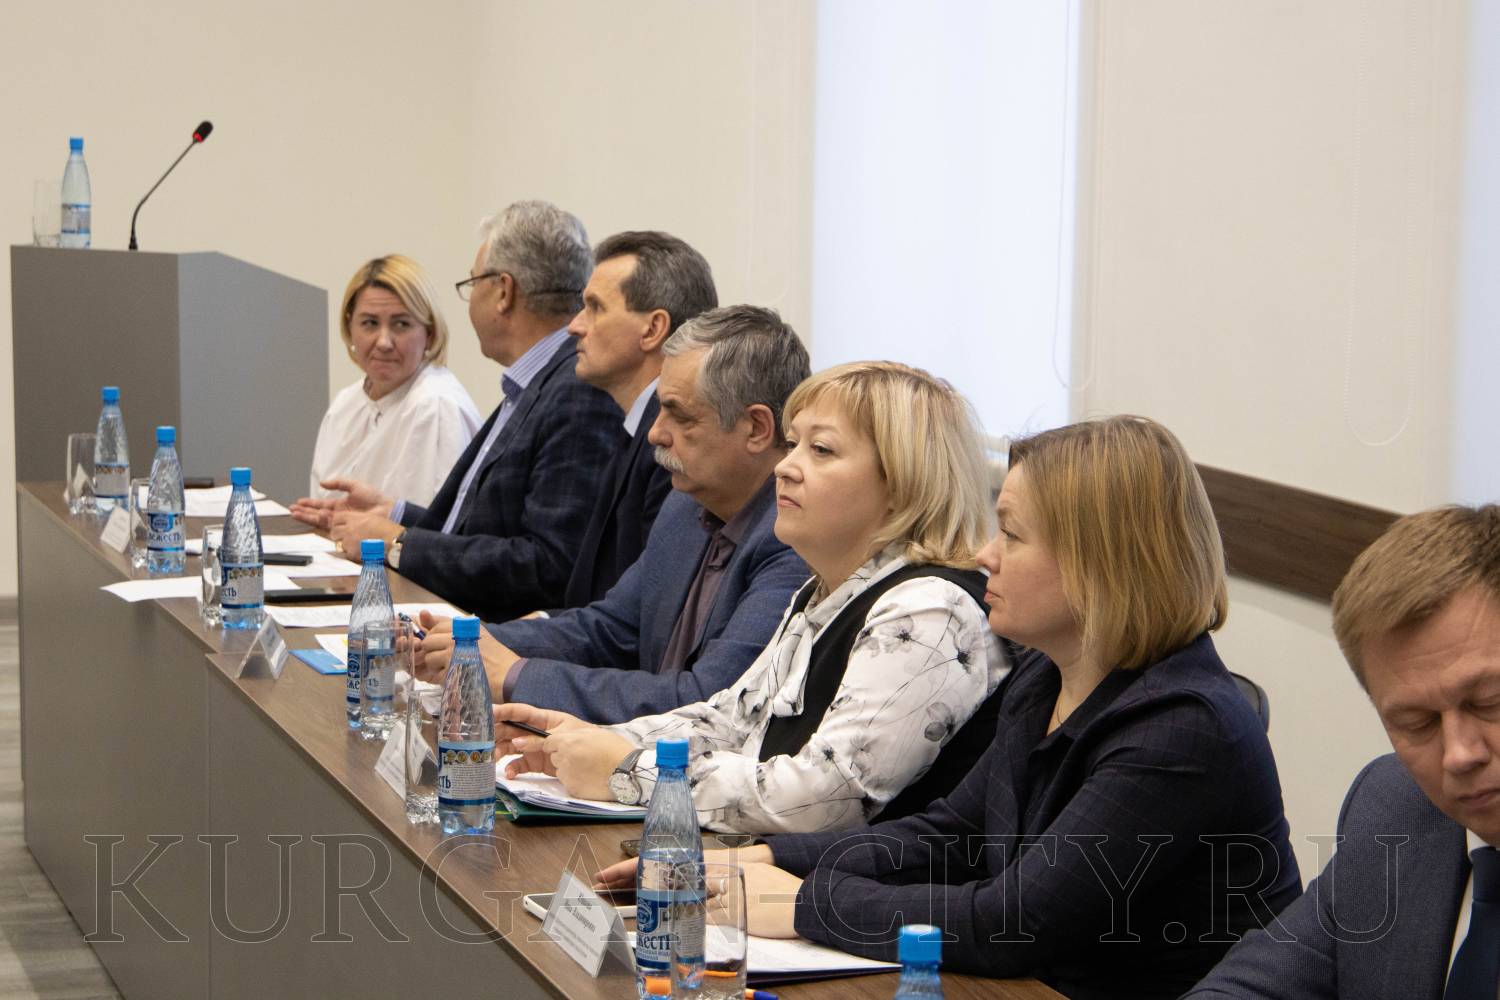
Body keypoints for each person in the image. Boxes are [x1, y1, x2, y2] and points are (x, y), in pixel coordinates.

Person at [598, 416, 1301, 1000]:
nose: (987, 555)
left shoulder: (1183, 729)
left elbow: (1015, 921)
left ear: (1099, 563)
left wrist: (800, 902)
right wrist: (762, 858)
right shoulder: (1046, 675)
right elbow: (951, 835)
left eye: (1013, 535)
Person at [493, 362, 1011, 835]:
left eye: (821, 450)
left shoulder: (930, 611)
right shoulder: (827, 590)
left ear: (902, 483)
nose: (785, 467)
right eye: (793, 444)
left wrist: (627, 770)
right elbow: (733, 720)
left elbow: (821, 797)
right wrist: (591, 742)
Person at [413, 305, 812, 721]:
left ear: (756, 428)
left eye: (679, 414)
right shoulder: (686, 507)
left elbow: (707, 701)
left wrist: (515, 675)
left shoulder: (794, 541)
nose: (655, 433)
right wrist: (466, 642)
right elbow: (609, 629)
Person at [1186, 504, 1500, 1000]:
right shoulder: (1392, 808)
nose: (1460, 754)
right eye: (1417, 723)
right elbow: (1251, 985)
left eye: (1490, 701)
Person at [288, 201, 623, 621]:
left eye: (473, 282)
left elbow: (547, 565)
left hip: (490, 639)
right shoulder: (538, 382)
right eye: (369, 323)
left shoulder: (576, 391)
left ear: (503, 292)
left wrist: (398, 541)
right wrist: (395, 514)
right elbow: (482, 529)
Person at [559, 230, 717, 609]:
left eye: (595, 308)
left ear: (653, 329)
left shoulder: (672, 446)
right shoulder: (632, 424)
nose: (574, 325)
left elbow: (642, 614)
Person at [308, 255, 482, 506]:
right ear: (349, 327)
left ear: (429, 332)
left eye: (401, 324)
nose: (383, 342)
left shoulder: (436, 407)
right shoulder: (345, 404)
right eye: (370, 323)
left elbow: (431, 526)